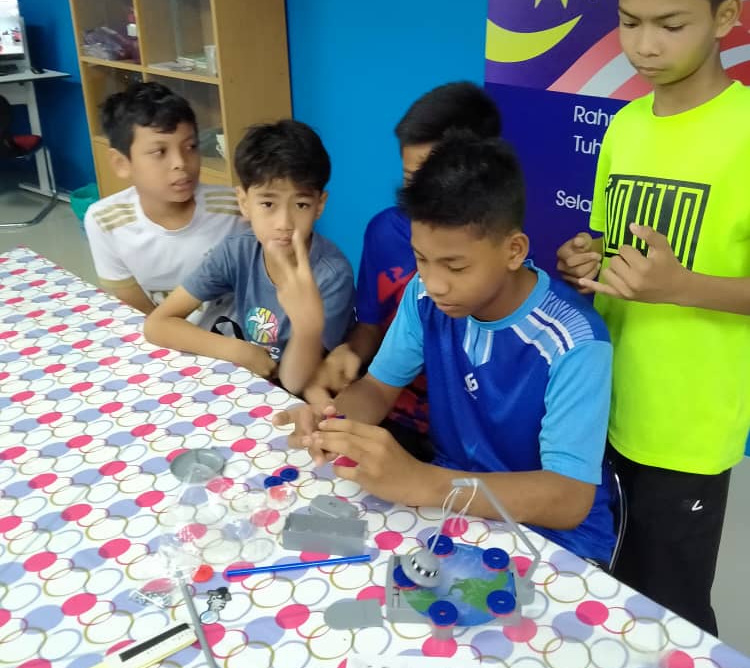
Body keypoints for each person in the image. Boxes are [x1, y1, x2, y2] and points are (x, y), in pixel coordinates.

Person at [276, 134, 615, 562]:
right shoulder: (423, 297)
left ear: (514, 251)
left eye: (455, 266)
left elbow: (569, 498)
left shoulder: (574, 340)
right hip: (452, 509)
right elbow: (377, 389)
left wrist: (425, 482)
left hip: (552, 538)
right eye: (421, 259)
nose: (434, 283)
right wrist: (333, 424)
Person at [556, 0, 750, 634]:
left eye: (671, 25)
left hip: (687, 430)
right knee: (602, 589)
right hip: (602, 403)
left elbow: (674, 277)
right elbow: (612, 246)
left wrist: (684, 286)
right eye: (629, 23)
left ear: (725, 17)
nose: (645, 46)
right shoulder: (626, 126)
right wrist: (586, 257)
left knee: (671, 614)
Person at [305, 81, 501, 458]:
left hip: (467, 435)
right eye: (411, 180)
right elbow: (372, 334)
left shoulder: (497, 261)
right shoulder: (387, 236)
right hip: (393, 413)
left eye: (454, 266)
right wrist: (349, 357)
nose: (420, 200)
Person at [144, 119, 355, 395]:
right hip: (248, 381)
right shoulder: (237, 251)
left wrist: (307, 328)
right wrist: (239, 351)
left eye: (301, 204)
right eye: (268, 203)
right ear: (244, 203)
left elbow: (295, 383)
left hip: (301, 394)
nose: (284, 223)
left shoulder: (332, 275)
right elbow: (157, 324)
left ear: (319, 205)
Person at [84, 81, 243, 325]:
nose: (181, 162)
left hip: (234, 336)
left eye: (190, 147)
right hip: (161, 336)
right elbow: (138, 309)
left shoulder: (235, 208)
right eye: (159, 152)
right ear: (121, 163)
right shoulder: (105, 222)